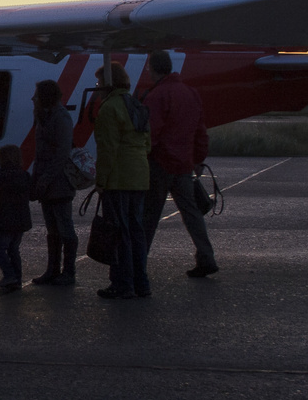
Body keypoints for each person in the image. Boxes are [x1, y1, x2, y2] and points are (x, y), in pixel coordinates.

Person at [139, 50, 218, 278]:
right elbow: (200, 131)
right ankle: (206, 256)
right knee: (192, 214)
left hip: (160, 165)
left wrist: (142, 157)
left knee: (149, 217)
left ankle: (138, 263)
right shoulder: (190, 93)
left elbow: (151, 134)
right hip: (183, 166)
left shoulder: (157, 96)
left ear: (153, 68)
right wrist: (198, 160)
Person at [92, 61, 151, 299]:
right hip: (139, 176)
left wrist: (101, 181)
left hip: (118, 178)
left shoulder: (109, 109)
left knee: (119, 233)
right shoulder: (137, 105)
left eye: (98, 83)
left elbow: (107, 149)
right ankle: (141, 283)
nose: (96, 87)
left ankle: (122, 283)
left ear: (107, 83)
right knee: (136, 231)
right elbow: (147, 144)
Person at [28, 79, 79, 285]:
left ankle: (67, 271)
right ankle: (54, 270)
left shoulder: (60, 117)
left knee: (64, 228)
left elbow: (61, 154)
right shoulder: (47, 117)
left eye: (37, 95)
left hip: (58, 183)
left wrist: (44, 179)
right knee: (53, 229)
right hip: (48, 182)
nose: (33, 98)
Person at [0, 143, 32, 292]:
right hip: (22, 218)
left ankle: (9, 275)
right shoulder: (25, 175)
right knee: (14, 249)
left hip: (5, 218)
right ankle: (17, 278)